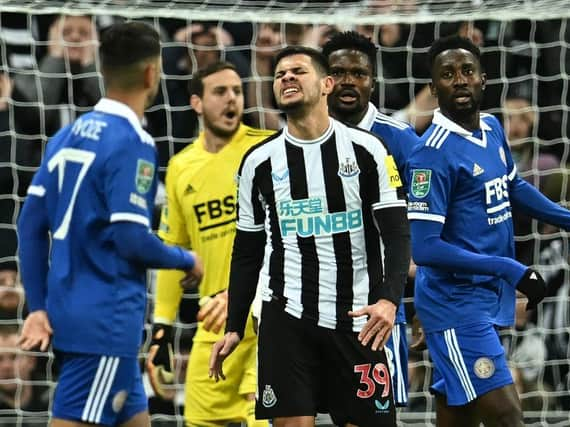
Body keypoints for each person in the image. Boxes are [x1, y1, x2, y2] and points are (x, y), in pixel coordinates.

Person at [405, 35, 570, 427]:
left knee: (457, 417)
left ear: (483, 79)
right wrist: (512, 269)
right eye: (447, 74)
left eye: (467, 71)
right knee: (509, 417)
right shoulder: (430, 156)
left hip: (484, 297)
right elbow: (425, 249)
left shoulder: (491, 128)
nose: (459, 80)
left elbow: (514, 187)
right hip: (454, 305)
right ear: (434, 86)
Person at [210, 45, 411, 427]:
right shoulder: (258, 162)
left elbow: (398, 235)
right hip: (286, 319)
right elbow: (247, 251)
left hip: (358, 319)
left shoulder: (368, 150)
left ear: (326, 84)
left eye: (298, 71)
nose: (286, 77)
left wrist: (388, 301)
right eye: (280, 73)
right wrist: (234, 325)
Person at [17, 22, 203, 427]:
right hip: (105, 319)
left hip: (74, 312)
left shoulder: (66, 136)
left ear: (103, 69)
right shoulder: (132, 142)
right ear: (152, 73)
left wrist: (37, 306)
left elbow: (29, 225)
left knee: (136, 417)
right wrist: (185, 259)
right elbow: (131, 237)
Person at [146, 61, 273, 427]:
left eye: (237, 90)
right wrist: (162, 329)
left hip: (268, 321)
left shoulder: (266, 150)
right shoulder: (181, 167)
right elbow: (173, 250)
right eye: (220, 92)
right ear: (197, 103)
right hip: (215, 324)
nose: (232, 99)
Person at [322, 30, 422, 408]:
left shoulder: (401, 142)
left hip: (378, 310)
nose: (349, 82)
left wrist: (423, 303)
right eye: (338, 72)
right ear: (323, 80)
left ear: (373, 80)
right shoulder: (299, 140)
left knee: (375, 415)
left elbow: (428, 224)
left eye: (359, 73)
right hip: (313, 306)